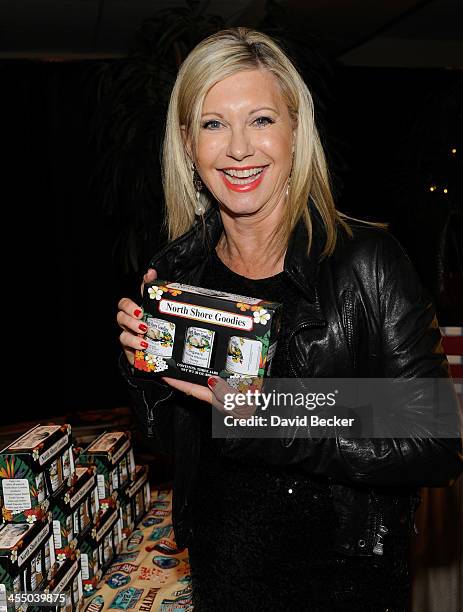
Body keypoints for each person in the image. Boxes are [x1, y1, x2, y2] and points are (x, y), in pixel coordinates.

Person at [116, 27, 462, 611]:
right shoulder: (179, 271)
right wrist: (144, 368)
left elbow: (433, 438)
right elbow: (173, 442)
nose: (238, 148)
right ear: (187, 143)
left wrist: (265, 411)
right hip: (224, 577)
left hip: (343, 587)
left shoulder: (368, 262)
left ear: (296, 131)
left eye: (260, 119)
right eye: (213, 123)